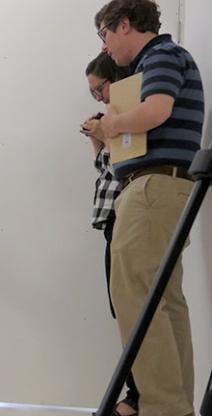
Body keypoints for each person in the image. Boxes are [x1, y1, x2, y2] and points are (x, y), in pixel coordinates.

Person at [91, 1, 204, 415]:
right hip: (168, 187)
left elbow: (157, 111)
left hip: (152, 189)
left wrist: (111, 125)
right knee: (164, 301)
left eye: (104, 35)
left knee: (137, 300)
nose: (105, 48)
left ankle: (161, 408)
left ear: (124, 24)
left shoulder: (161, 56)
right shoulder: (169, 58)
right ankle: (173, 407)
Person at [81, 52, 140, 416]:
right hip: (112, 221)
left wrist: (106, 131)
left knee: (135, 309)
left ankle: (138, 398)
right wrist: (98, 138)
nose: (99, 98)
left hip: (127, 217)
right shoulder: (114, 119)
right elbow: (105, 167)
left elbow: (128, 163)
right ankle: (137, 394)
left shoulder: (129, 114)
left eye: (99, 89)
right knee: (124, 309)